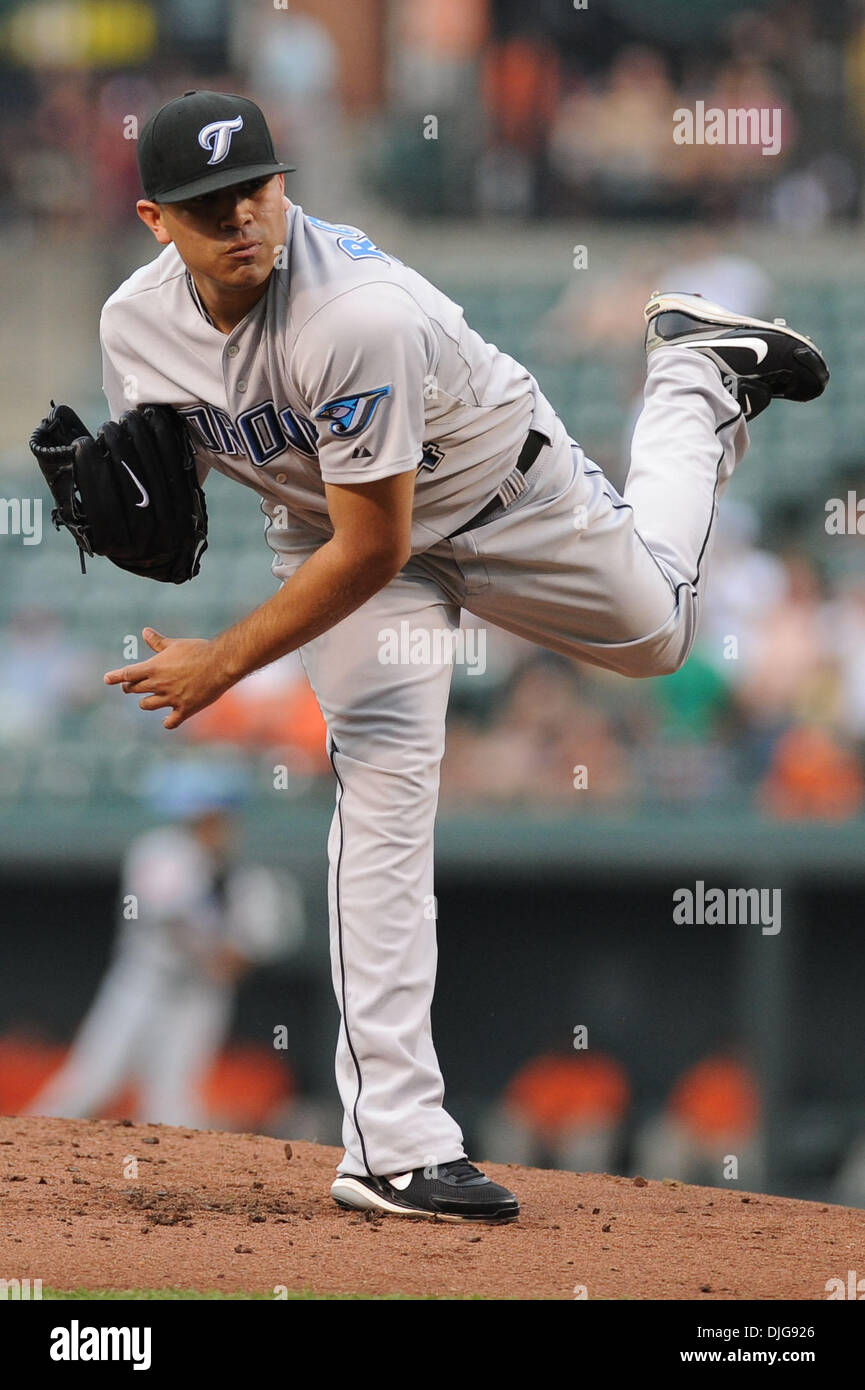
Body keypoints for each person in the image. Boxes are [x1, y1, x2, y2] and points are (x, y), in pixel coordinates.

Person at [99, 90, 827, 1222]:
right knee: (384, 793)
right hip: (340, 534)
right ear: (155, 219)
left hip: (501, 496)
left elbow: (375, 541)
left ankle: (691, 374)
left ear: (285, 182)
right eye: (208, 203)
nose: (243, 215)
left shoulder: (355, 313)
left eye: (258, 186)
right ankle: (395, 1144)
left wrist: (223, 662)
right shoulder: (132, 329)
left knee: (658, 637)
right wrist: (140, 516)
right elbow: (187, 488)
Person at [28, 762, 296, 1127]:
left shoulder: (247, 873)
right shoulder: (159, 851)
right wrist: (218, 951)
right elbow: (168, 915)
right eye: (208, 814)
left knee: (172, 1100)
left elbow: (261, 938)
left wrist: (238, 954)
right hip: (144, 982)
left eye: (222, 815)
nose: (217, 823)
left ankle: (166, 1179)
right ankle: (20, 1152)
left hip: (200, 993)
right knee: (93, 1082)